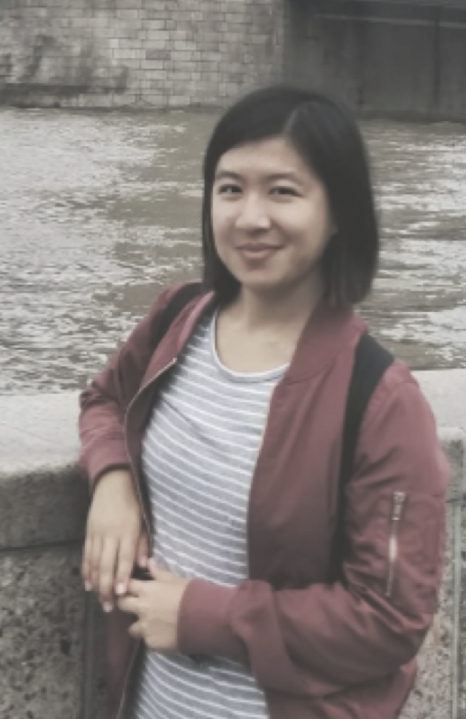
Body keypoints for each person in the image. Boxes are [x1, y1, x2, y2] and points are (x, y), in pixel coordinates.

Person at [79, 84, 449, 719]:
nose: (250, 218)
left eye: (283, 191)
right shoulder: (180, 315)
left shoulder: (382, 401)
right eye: (230, 189)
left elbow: (390, 621)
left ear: (339, 213)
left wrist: (204, 615)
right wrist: (114, 480)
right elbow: (104, 397)